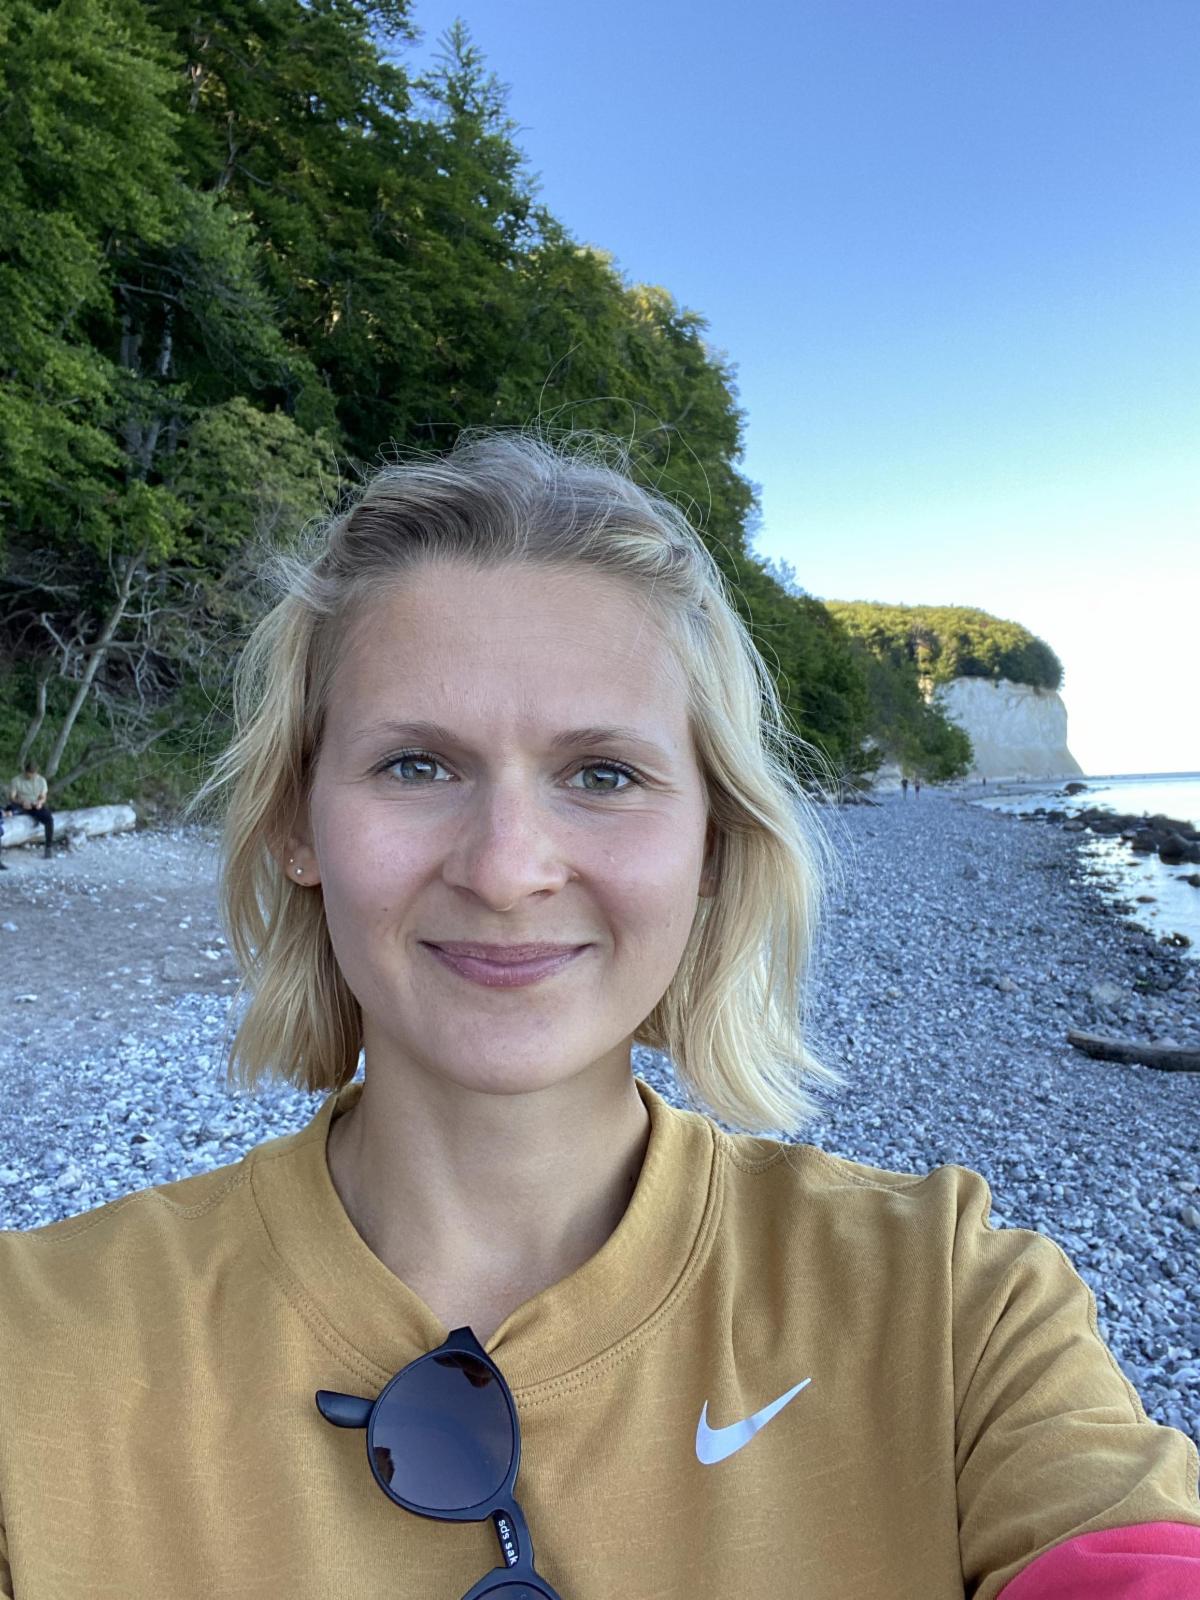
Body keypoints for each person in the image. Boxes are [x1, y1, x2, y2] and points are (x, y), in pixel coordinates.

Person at [1, 431, 1198, 1600]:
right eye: (417, 764)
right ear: (295, 827)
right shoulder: (37, 1347)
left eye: (603, 774)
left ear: (714, 843)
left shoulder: (956, 1310)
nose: (507, 868)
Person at [4, 761, 53, 860]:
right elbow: (12, 797)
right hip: (21, 804)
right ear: (25, 772)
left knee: (49, 819)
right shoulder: (16, 780)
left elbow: (43, 797)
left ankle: (48, 847)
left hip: (35, 805)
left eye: (33, 774)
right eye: (29, 774)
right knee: (10, 810)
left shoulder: (41, 781)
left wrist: (40, 803)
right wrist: (22, 802)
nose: (31, 776)